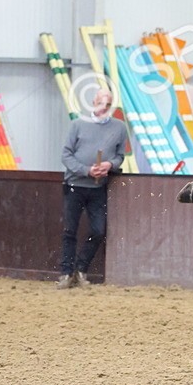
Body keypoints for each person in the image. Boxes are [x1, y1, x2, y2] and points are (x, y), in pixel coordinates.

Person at [58, 88, 128, 289]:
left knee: (98, 230)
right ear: (93, 103)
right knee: (70, 230)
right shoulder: (78, 125)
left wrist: (110, 165)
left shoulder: (120, 128)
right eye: (100, 103)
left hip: (98, 188)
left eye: (108, 105)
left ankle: (80, 269)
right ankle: (65, 273)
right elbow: (66, 155)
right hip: (75, 185)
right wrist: (86, 170)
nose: (104, 108)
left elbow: (120, 156)